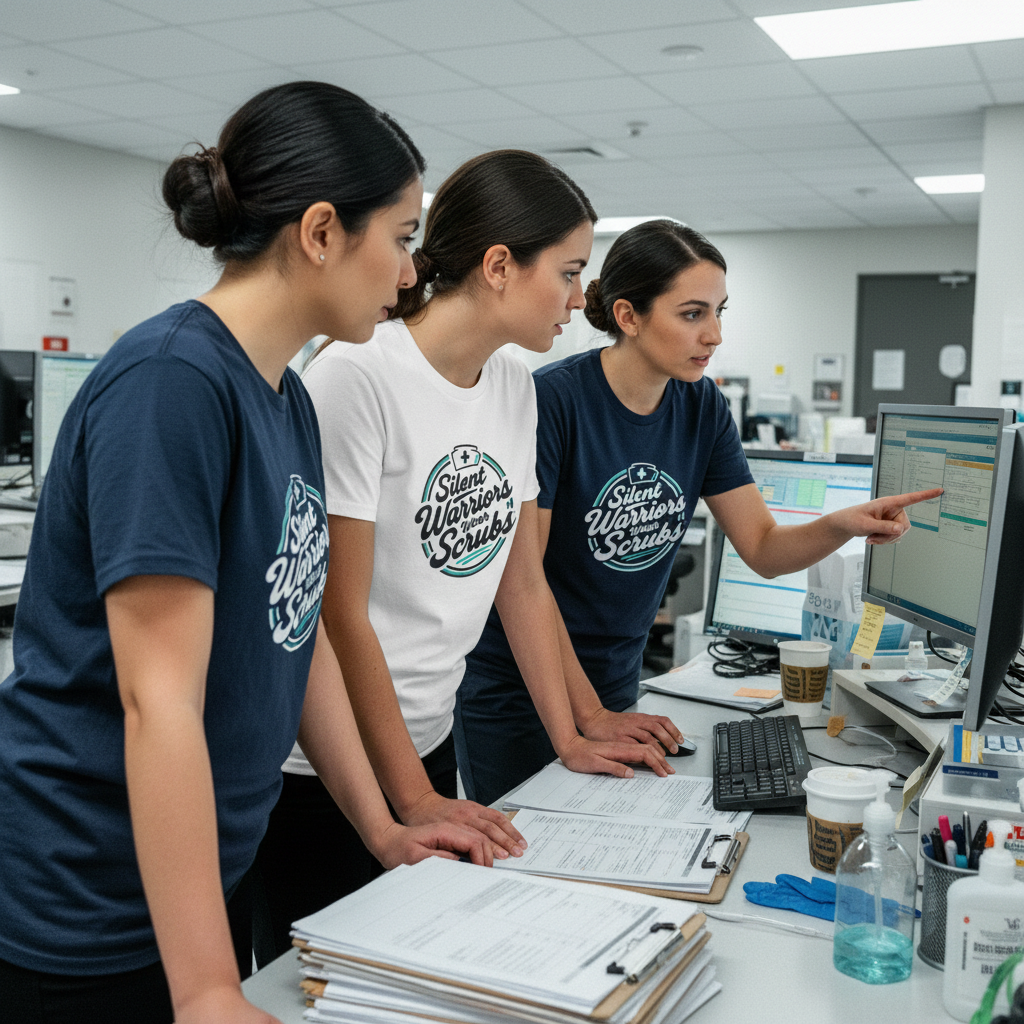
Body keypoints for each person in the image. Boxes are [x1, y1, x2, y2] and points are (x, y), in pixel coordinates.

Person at [0, 82, 490, 1024]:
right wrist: (207, 988)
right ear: (318, 232)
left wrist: (385, 829)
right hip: (87, 895)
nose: (407, 274)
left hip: (190, 872)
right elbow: (159, 701)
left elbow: (290, 632)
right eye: (398, 237)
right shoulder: (171, 384)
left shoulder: (286, 397)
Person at [258, 151, 681, 957]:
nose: (578, 298)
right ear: (498, 267)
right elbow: (338, 615)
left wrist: (572, 734)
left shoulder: (514, 383)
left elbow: (522, 583)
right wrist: (410, 797)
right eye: (567, 272)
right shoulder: (358, 374)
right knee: (321, 988)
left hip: (428, 734)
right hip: (324, 767)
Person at [456, 219, 943, 806]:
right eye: (692, 314)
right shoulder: (552, 402)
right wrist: (584, 715)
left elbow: (763, 548)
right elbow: (524, 581)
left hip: (613, 682)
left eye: (719, 312)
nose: (713, 335)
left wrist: (843, 524)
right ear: (628, 316)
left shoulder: (700, 406)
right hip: (521, 689)